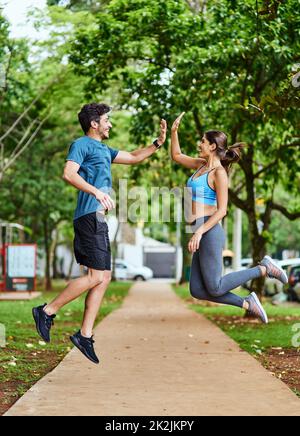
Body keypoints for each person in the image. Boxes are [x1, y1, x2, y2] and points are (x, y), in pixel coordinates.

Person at [33, 103, 167, 364]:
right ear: (94, 123)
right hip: (88, 216)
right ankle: (47, 311)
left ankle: (85, 335)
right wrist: (96, 191)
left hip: (98, 219)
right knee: (96, 276)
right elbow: (68, 173)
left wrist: (157, 143)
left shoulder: (105, 150)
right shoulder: (81, 144)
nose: (110, 124)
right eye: (107, 120)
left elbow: (135, 157)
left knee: (104, 277)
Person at [171, 112, 288, 323]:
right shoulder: (200, 165)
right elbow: (177, 156)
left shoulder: (219, 173)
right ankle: (247, 303)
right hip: (198, 229)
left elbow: (222, 210)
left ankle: (263, 268)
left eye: (203, 141)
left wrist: (199, 231)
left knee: (215, 286)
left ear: (213, 146)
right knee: (197, 289)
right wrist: (173, 132)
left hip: (208, 230)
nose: (199, 144)